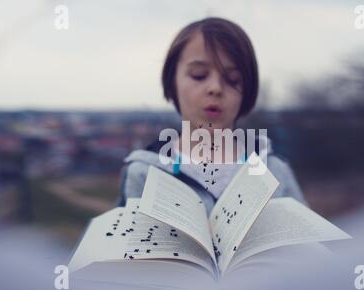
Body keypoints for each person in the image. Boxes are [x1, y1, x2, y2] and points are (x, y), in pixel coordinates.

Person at [117, 17, 306, 214]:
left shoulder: (274, 170)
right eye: (199, 75)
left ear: (248, 90)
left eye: (232, 79)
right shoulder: (143, 172)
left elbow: (307, 241)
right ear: (172, 82)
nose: (215, 88)